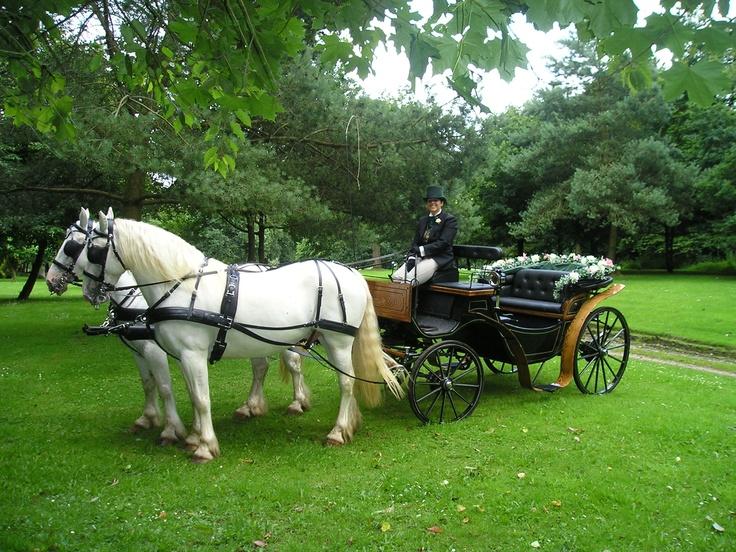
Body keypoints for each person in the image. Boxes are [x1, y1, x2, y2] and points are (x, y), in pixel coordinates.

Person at [391, 185, 458, 286]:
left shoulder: (449, 220)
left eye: (435, 200)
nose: (432, 203)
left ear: (442, 203)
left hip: (438, 258)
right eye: (430, 201)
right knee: (396, 278)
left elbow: (443, 243)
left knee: (408, 281)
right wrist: (412, 256)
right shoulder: (423, 220)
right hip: (420, 257)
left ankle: (408, 301)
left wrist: (421, 250)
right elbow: (415, 242)